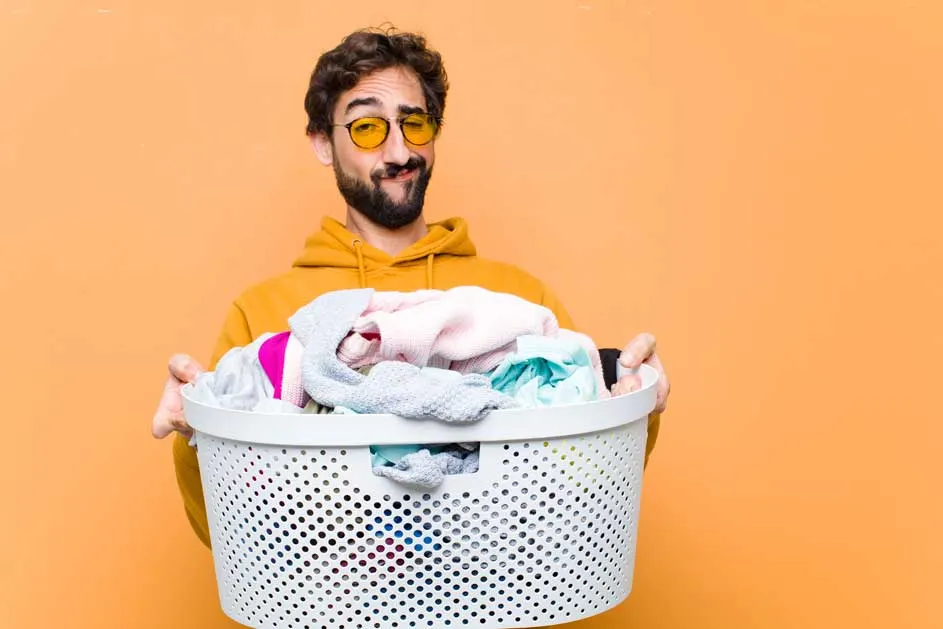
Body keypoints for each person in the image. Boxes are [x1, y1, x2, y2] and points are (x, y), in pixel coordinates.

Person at [152, 27, 670, 551]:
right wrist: (192, 429)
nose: (400, 150)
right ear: (321, 143)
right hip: (330, 602)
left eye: (414, 123)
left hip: (493, 594)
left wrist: (634, 403)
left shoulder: (516, 303)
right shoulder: (266, 312)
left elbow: (584, 481)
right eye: (367, 127)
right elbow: (225, 525)